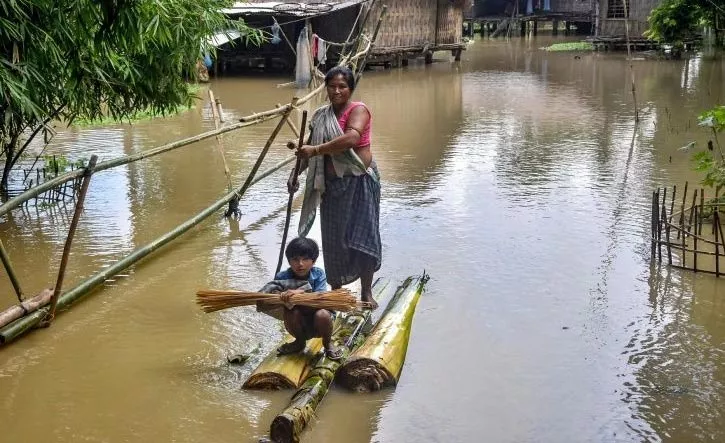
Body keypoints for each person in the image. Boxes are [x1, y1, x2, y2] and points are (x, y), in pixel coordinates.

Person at [289, 66, 382, 309]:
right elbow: (307, 149)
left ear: (350, 89)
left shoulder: (358, 110)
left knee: (364, 239)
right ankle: (336, 294)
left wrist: (317, 150)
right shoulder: (321, 116)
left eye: (342, 86)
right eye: (332, 86)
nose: (337, 91)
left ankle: (366, 292)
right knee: (334, 242)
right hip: (332, 188)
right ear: (326, 88)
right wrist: (295, 174)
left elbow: (351, 138)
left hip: (359, 183)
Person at [264, 237, 342, 360]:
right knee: (291, 312)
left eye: (305, 259)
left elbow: (320, 298)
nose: (300, 264)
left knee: (322, 314)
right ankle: (299, 342)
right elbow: (272, 295)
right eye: (295, 259)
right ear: (289, 261)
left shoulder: (318, 274)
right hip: (298, 322)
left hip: (319, 321)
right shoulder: (282, 276)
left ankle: (327, 344)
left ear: (313, 261)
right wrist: (279, 296)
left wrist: (299, 292)